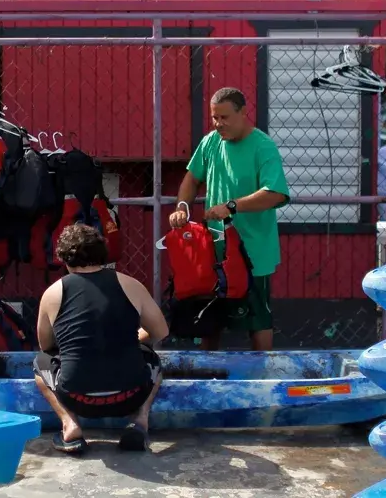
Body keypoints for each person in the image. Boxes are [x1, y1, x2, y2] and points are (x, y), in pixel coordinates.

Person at [169, 87, 290, 351]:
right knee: (208, 319)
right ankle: (207, 377)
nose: (218, 124)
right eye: (214, 118)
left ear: (243, 113)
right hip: (213, 252)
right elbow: (191, 178)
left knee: (257, 320)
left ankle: (263, 377)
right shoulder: (211, 142)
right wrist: (182, 207)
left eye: (224, 117)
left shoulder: (263, 146)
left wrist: (232, 206)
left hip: (252, 252)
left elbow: (276, 194)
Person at [33, 223, 169, 455]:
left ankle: (70, 424)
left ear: (64, 259)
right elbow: (161, 332)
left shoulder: (52, 293)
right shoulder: (131, 284)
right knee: (154, 359)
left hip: (78, 398)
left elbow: (46, 346)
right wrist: (133, 338)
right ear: (103, 254)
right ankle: (140, 421)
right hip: (130, 394)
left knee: (39, 363)